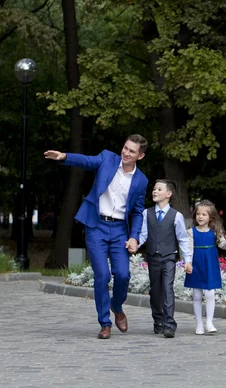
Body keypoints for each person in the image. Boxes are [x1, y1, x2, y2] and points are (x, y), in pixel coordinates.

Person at [44, 134, 149, 339]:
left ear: (140, 156)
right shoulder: (107, 159)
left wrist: (134, 237)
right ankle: (105, 323)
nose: (126, 153)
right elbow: (86, 161)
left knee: (123, 275)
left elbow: (137, 212)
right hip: (96, 226)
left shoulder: (141, 180)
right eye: (125, 148)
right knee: (101, 275)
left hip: (120, 230)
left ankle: (116, 306)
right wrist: (65, 157)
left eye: (132, 151)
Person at [137, 179, 192, 338]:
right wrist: (135, 244)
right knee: (155, 291)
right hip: (153, 257)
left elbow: (182, 238)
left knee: (167, 289)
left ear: (168, 194)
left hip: (169, 257)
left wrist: (187, 260)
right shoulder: (146, 213)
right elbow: (144, 234)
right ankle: (158, 321)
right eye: (154, 189)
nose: (155, 191)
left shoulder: (177, 216)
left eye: (159, 189)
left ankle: (169, 324)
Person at [184, 200, 226, 335]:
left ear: (210, 217)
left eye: (204, 214)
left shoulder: (215, 232)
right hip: (196, 264)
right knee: (197, 295)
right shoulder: (191, 232)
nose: (200, 217)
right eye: (198, 214)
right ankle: (199, 324)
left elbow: (224, 245)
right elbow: (188, 249)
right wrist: (187, 263)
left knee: (210, 293)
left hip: (210, 263)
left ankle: (209, 322)